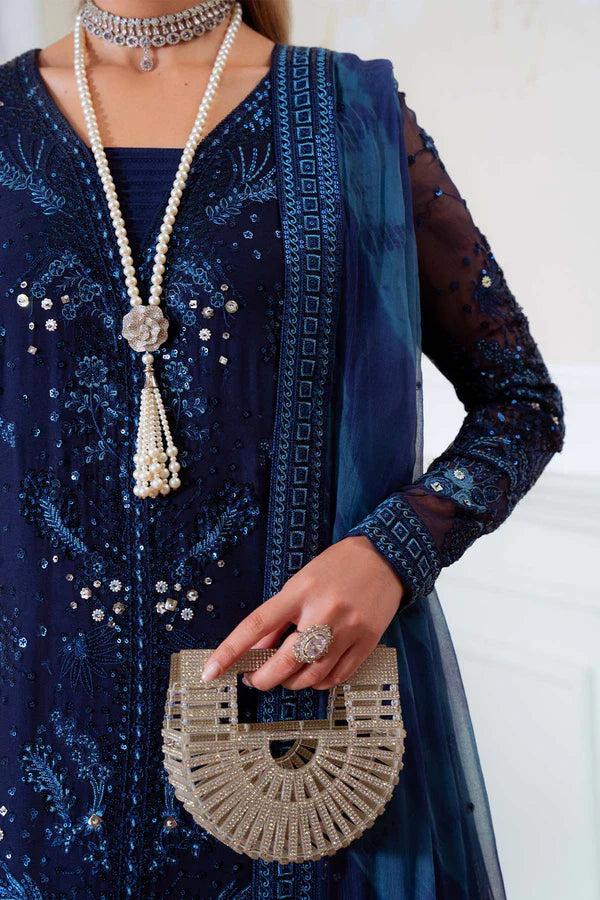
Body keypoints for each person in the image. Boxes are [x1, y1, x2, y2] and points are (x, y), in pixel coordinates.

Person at [0, 1, 565, 897]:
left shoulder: (349, 119)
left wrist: (390, 553)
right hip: (28, 765)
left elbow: (522, 404)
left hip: (295, 757)